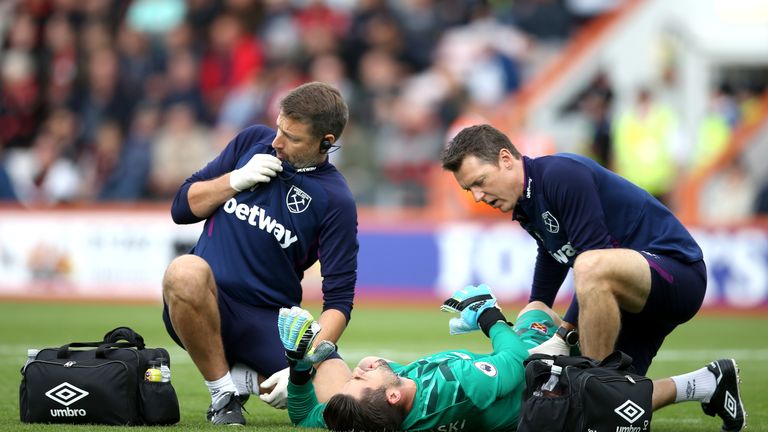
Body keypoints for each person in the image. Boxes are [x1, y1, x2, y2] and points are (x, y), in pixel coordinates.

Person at [281, 285, 745, 432]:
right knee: (610, 398)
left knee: (539, 311)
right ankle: (709, 380)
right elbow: (517, 359)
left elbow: (305, 418)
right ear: (397, 395)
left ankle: (579, 339)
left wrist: (301, 364)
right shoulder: (457, 383)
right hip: (540, 397)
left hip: (522, 387)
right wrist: (488, 317)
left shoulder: (371, 413)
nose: (359, 369)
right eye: (362, 377)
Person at [161, 82, 358, 425]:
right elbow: (182, 207)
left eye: (292, 138)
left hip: (269, 321)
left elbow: (339, 302)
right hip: (203, 303)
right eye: (279, 128)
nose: (278, 142)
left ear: (326, 142)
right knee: (184, 271)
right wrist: (234, 180)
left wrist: (304, 365)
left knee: (345, 399)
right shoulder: (252, 141)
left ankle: (244, 381)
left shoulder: (336, 200)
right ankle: (223, 395)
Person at [440, 124, 706, 376]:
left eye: (480, 181)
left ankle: (594, 380)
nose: (477, 196)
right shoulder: (526, 202)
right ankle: (706, 384)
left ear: (506, 159)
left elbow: (595, 257)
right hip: (631, 297)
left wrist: (565, 332)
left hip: (677, 272)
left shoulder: (561, 175)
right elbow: (552, 251)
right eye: (469, 189)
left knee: (590, 266)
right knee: (608, 402)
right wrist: (538, 304)